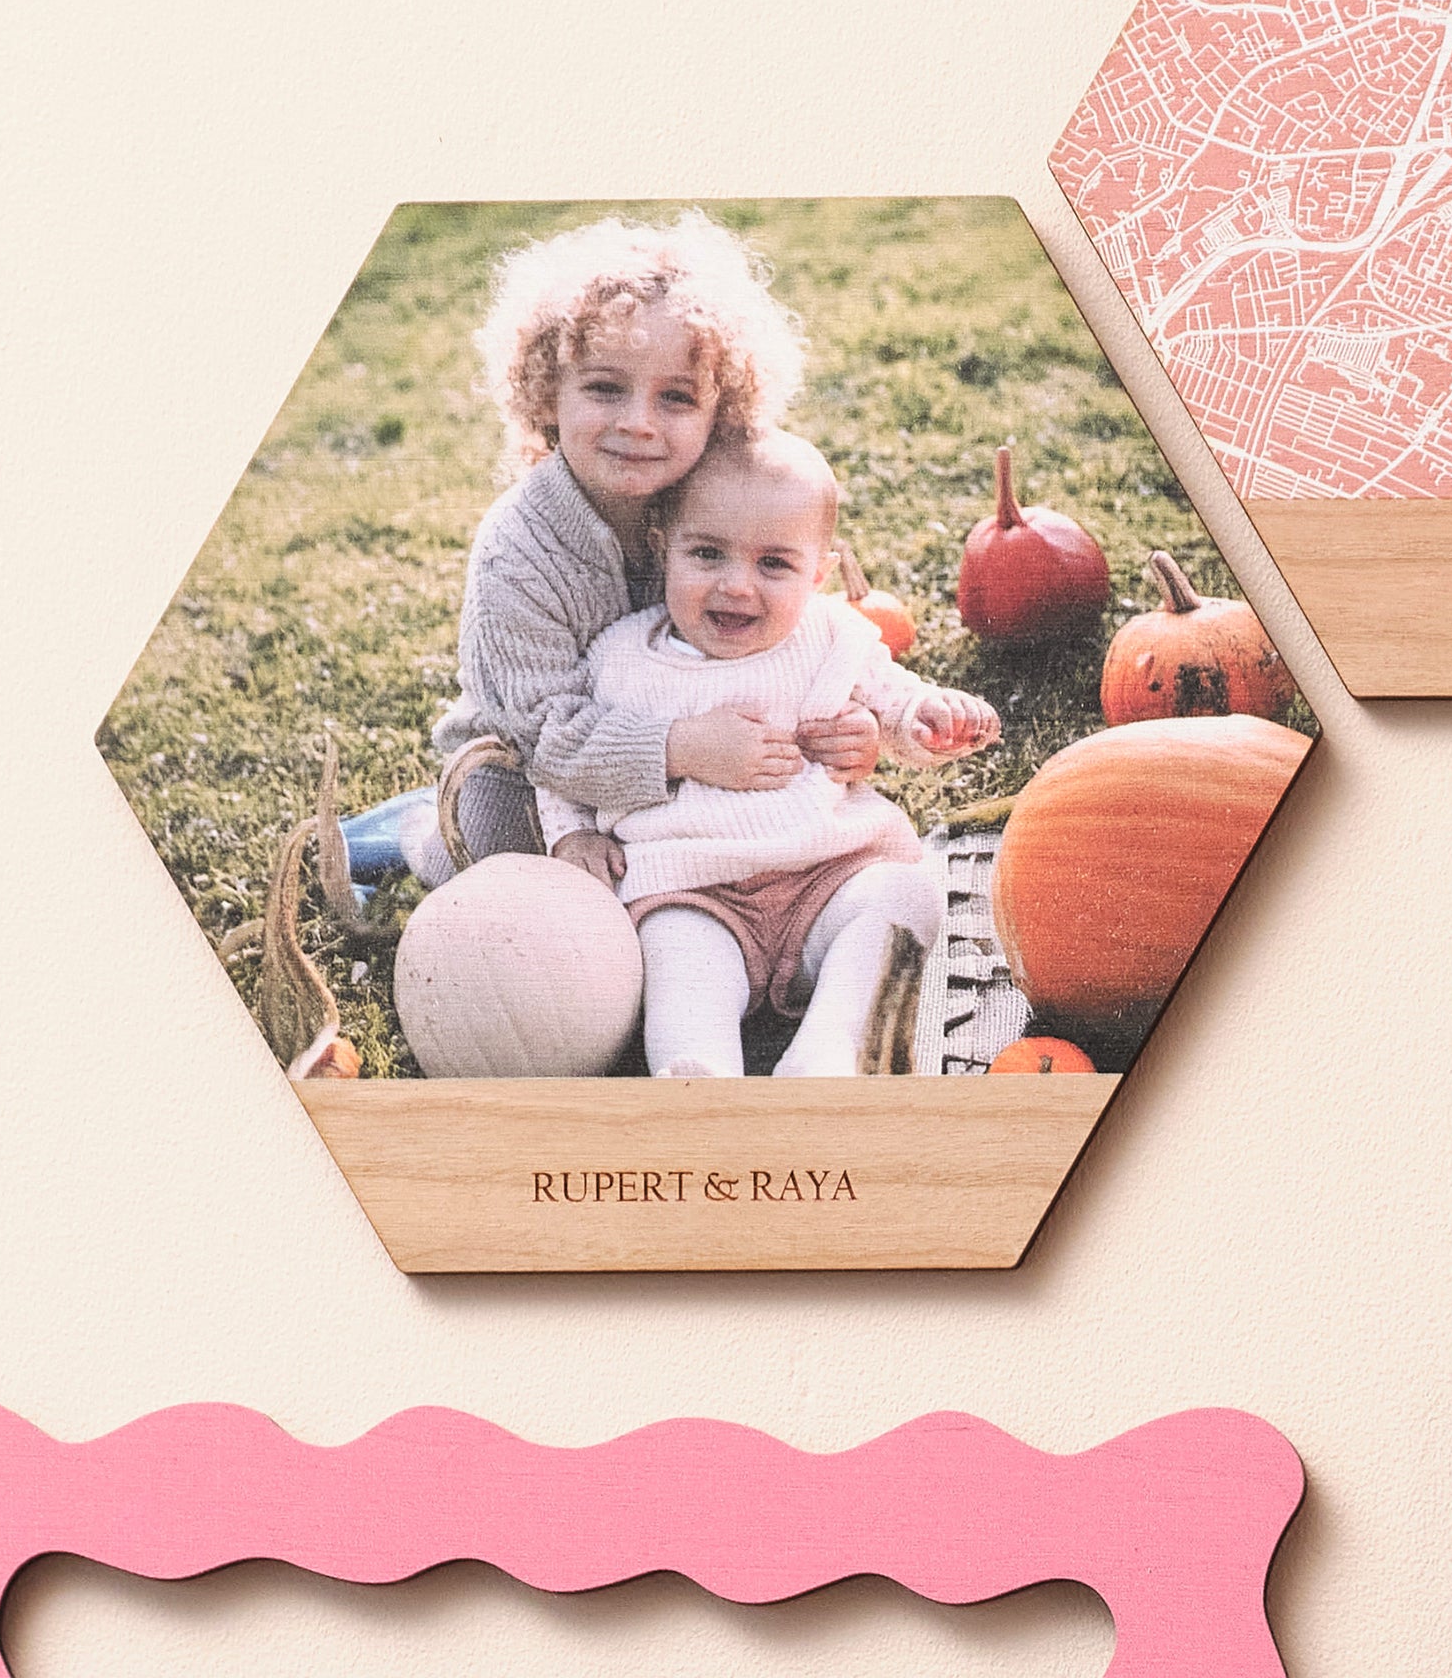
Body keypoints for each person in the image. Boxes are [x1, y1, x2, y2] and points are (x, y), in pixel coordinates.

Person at [393, 211, 881, 888]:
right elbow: (541, 734)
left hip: (696, 745)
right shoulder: (518, 552)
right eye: (604, 388)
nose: (638, 423)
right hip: (532, 771)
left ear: (722, 413)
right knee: (514, 880)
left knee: (768, 862)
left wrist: (847, 723)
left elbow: (789, 635)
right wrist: (675, 751)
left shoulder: (718, 506)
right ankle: (424, 837)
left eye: (676, 398)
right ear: (547, 393)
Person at [536, 433, 1000, 1077]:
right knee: (678, 965)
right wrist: (571, 834)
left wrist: (924, 720)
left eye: (774, 564)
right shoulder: (619, 660)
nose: (737, 586)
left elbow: (894, 699)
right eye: (706, 553)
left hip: (827, 871)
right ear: (661, 548)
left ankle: (830, 1048)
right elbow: (564, 751)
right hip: (692, 890)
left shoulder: (831, 635)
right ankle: (700, 1072)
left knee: (903, 897)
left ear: (819, 574)